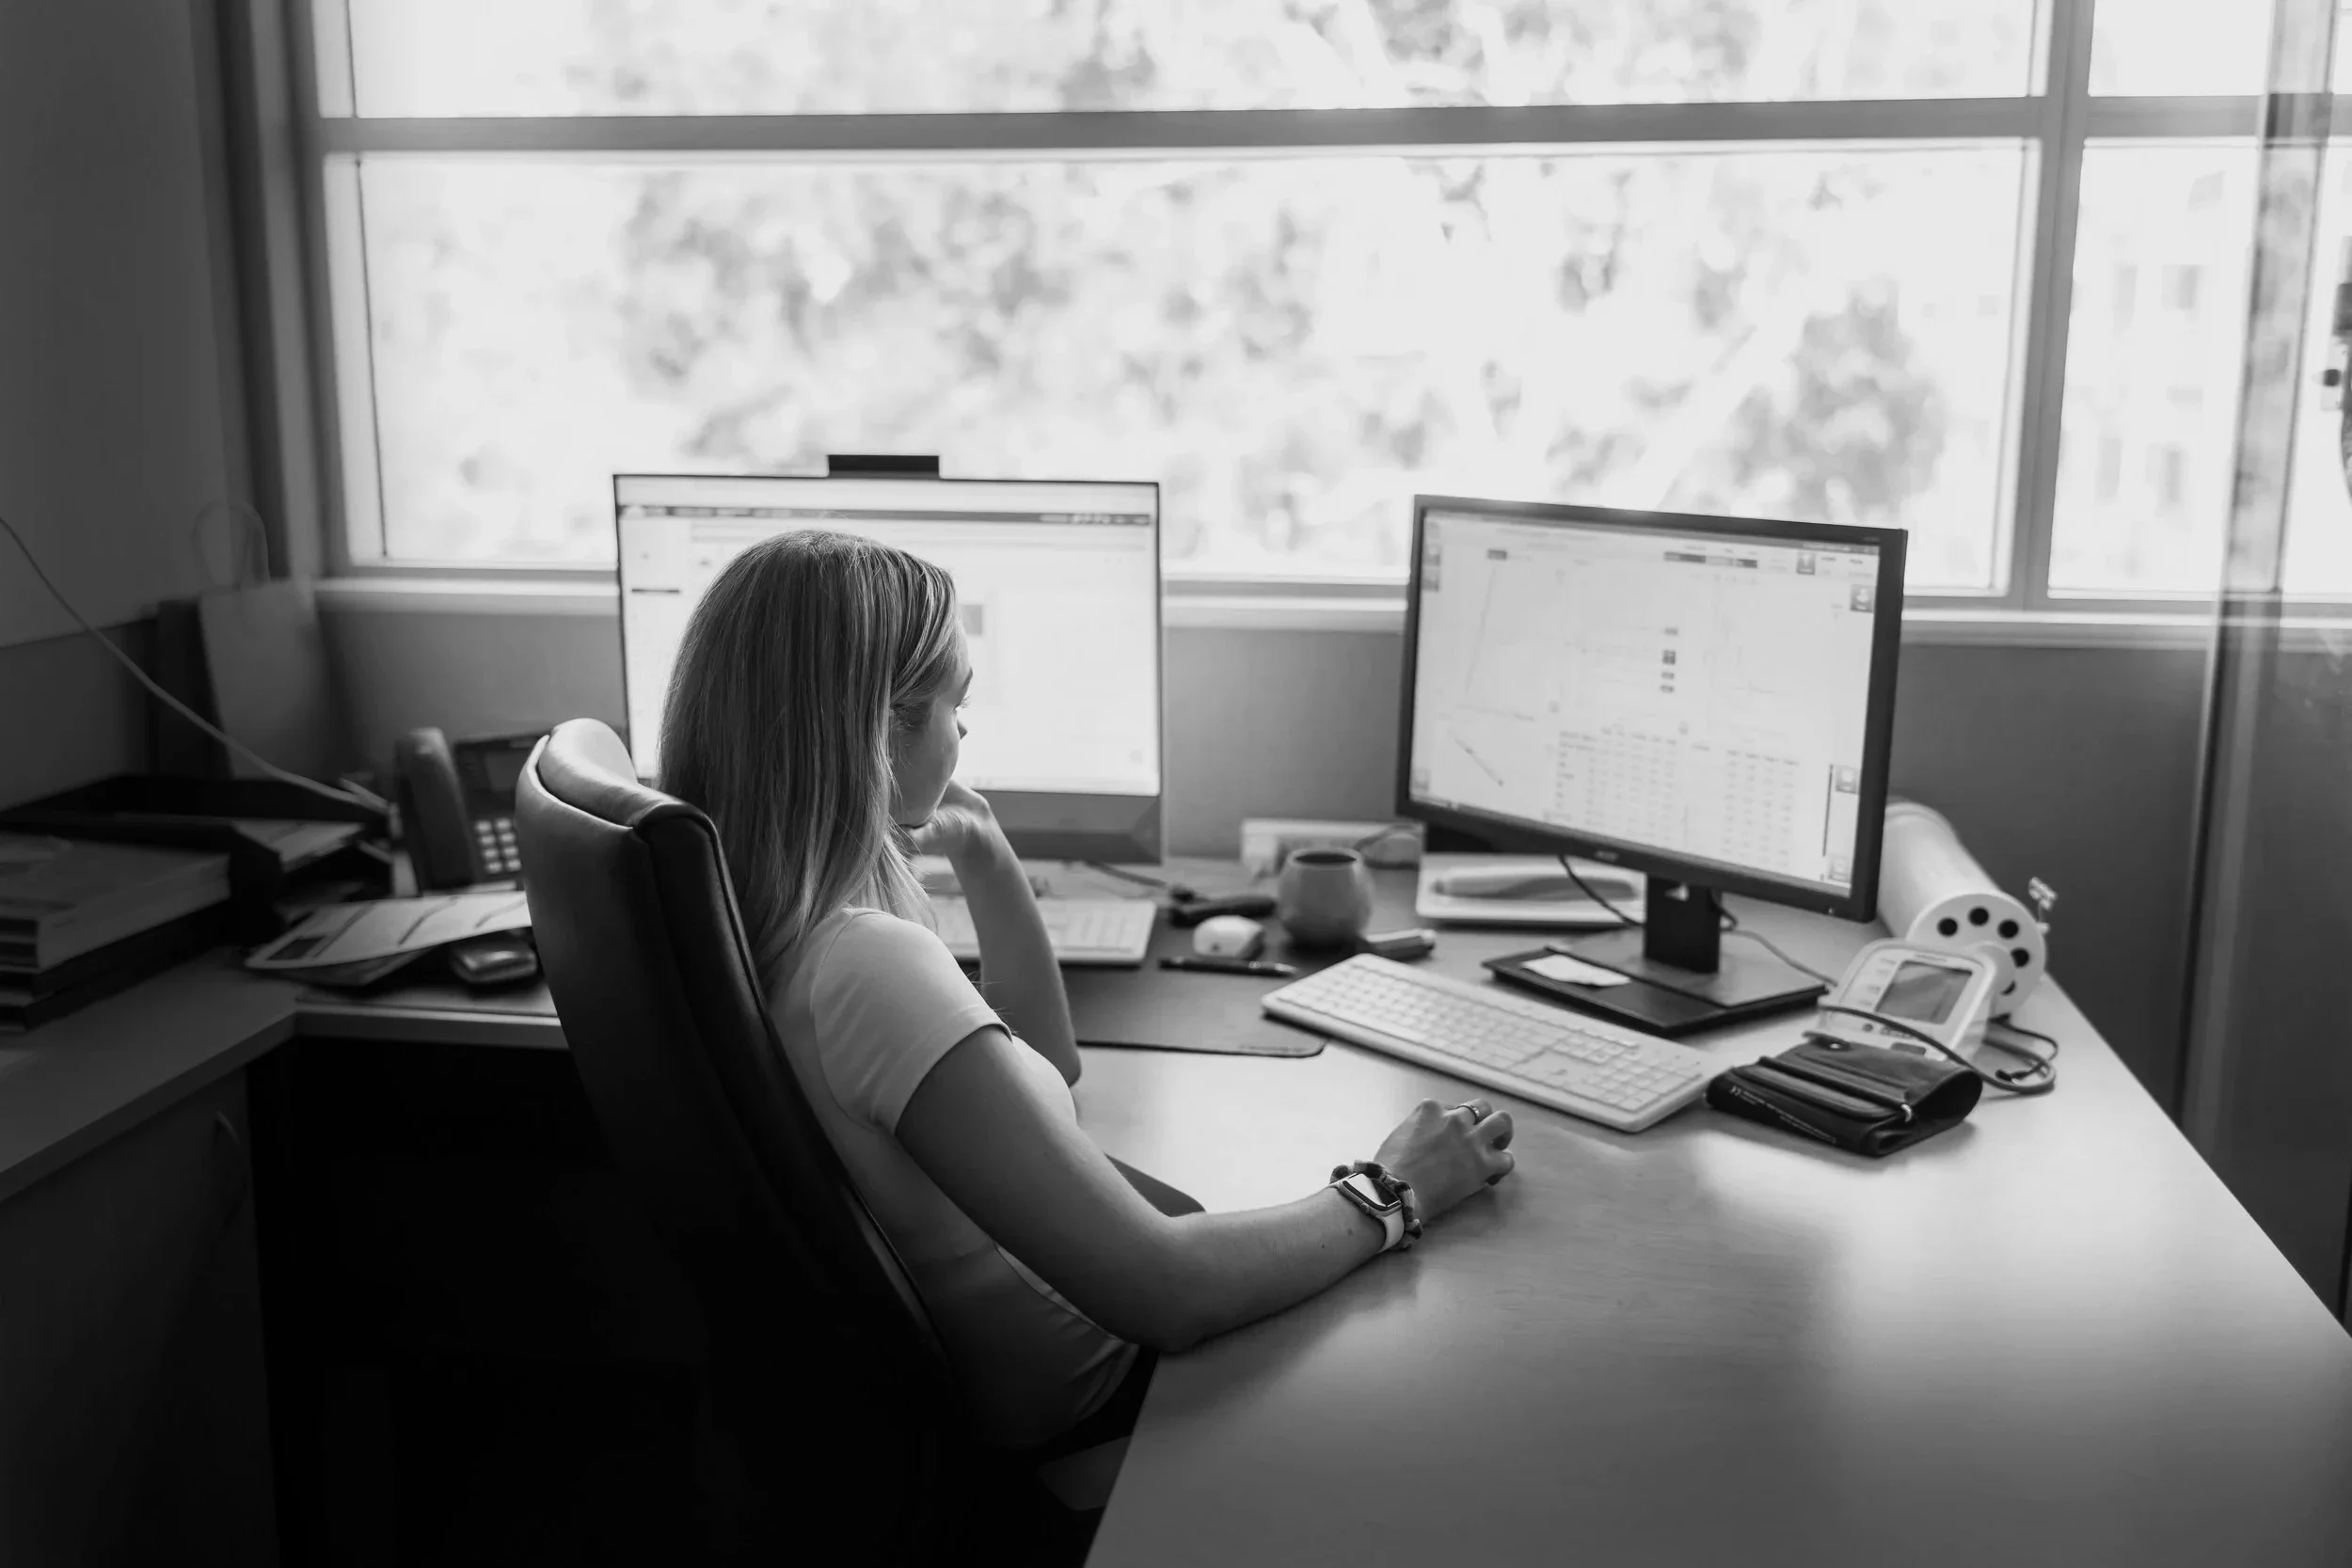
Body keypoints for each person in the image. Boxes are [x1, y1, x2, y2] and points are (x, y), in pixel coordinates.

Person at [659, 529, 1517, 1452]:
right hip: (1117, 1401)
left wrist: (990, 861)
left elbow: (1048, 1068)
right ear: (882, 727)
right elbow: (1168, 1291)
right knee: (1468, 1370)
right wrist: (1394, 1187)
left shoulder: (763, 926)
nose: (965, 731)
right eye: (956, 705)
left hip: (1050, 1370)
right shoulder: (864, 967)